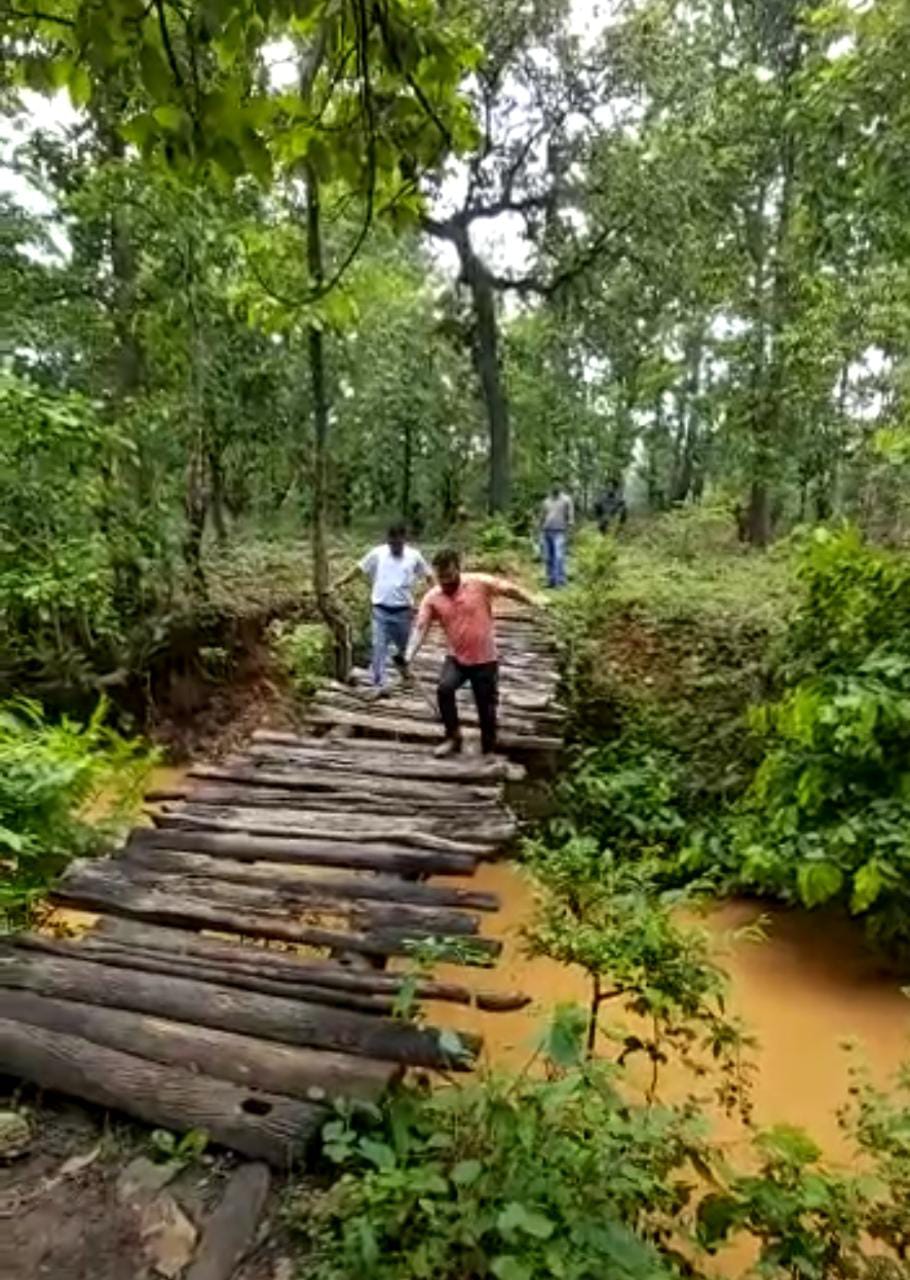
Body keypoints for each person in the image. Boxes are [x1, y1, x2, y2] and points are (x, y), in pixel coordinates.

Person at [405, 547, 539, 757]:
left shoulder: (479, 582)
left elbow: (508, 589)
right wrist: (408, 655)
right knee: (444, 689)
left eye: (450, 576)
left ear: (459, 569)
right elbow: (420, 628)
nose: (446, 582)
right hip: (456, 657)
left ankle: (489, 747)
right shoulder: (432, 597)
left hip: (485, 659)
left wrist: (533, 600)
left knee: (486, 708)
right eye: (441, 578)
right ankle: (453, 736)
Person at [336, 522, 431, 697]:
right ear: (388, 540)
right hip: (380, 610)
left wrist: (434, 596)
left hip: (403, 611)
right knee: (378, 647)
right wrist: (341, 582)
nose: (395, 546)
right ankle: (379, 684)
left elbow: (428, 575)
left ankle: (404, 674)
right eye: (392, 543)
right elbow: (359, 568)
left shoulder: (414, 556)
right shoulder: (377, 553)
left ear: (404, 540)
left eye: (399, 543)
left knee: (403, 650)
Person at [539, 484, 574, 588]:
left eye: (558, 484)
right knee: (548, 557)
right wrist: (539, 529)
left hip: (560, 531)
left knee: (559, 556)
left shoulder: (566, 500)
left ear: (561, 486)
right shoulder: (546, 501)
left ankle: (560, 580)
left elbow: (570, 516)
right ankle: (550, 580)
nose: (556, 486)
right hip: (547, 531)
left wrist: (570, 528)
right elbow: (542, 516)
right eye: (554, 484)